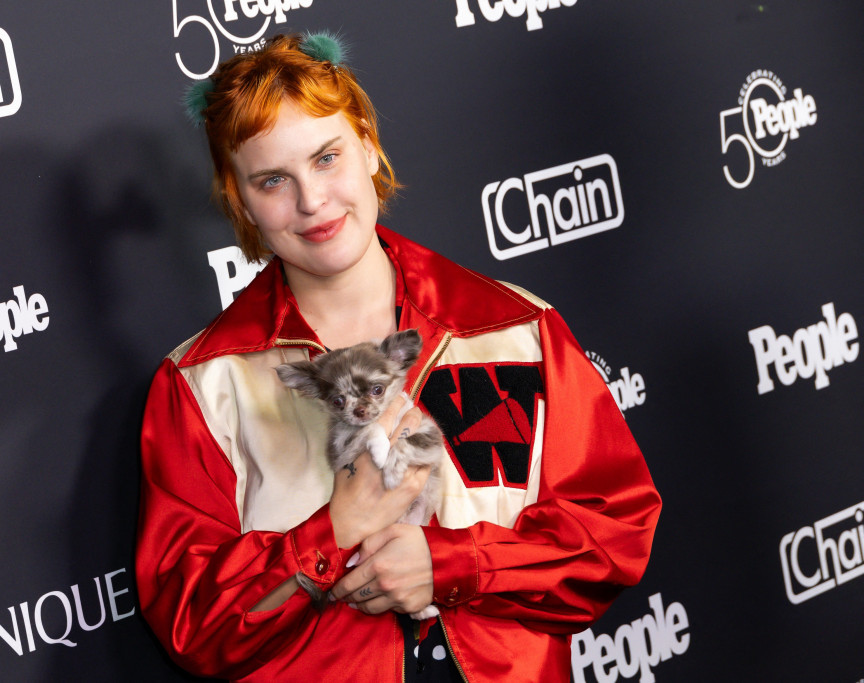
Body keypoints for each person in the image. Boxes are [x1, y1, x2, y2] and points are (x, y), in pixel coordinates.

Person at [136, 32, 661, 682]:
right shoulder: (204, 383)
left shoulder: (513, 328)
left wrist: (453, 566)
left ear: (367, 143)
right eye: (273, 180)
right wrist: (332, 533)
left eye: (327, 158)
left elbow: (613, 535)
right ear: (239, 200)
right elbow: (197, 625)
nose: (311, 201)